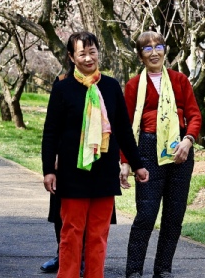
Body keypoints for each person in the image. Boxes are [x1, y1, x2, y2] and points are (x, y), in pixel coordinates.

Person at [42, 31, 149, 278]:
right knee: (71, 233)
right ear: (71, 56)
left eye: (92, 52)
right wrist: (49, 169)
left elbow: (122, 129)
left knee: (98, 236)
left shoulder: (110, 86)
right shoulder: (62, 88)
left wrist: (137, 164)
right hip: (72, 172)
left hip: (103, 172)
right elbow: (51, 132)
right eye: (82, 53)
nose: (88, 58)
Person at [122, 31, 203, 278]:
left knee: (174, 216)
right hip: (147, 149)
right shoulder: (134, 85)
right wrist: (125, 162)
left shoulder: (180, 80)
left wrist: (188, 141)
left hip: (180, 150)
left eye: (159, 46)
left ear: (165, 51)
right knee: (146, 215)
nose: (154, 52)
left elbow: (195, 115)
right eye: (147, 48)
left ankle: (163, 269)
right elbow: (125, 126)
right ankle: (134, 270)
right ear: (140, 55)